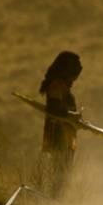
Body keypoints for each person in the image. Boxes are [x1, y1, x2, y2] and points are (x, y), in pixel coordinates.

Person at [39, 50, 83, 196]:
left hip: (65, 138)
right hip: (58, 137)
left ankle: (57, 201)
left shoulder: (62, 85)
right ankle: (54, 203)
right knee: (59, 176)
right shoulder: (57, 85)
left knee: (63, 175)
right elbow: (54, 110)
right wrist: (73, 116)